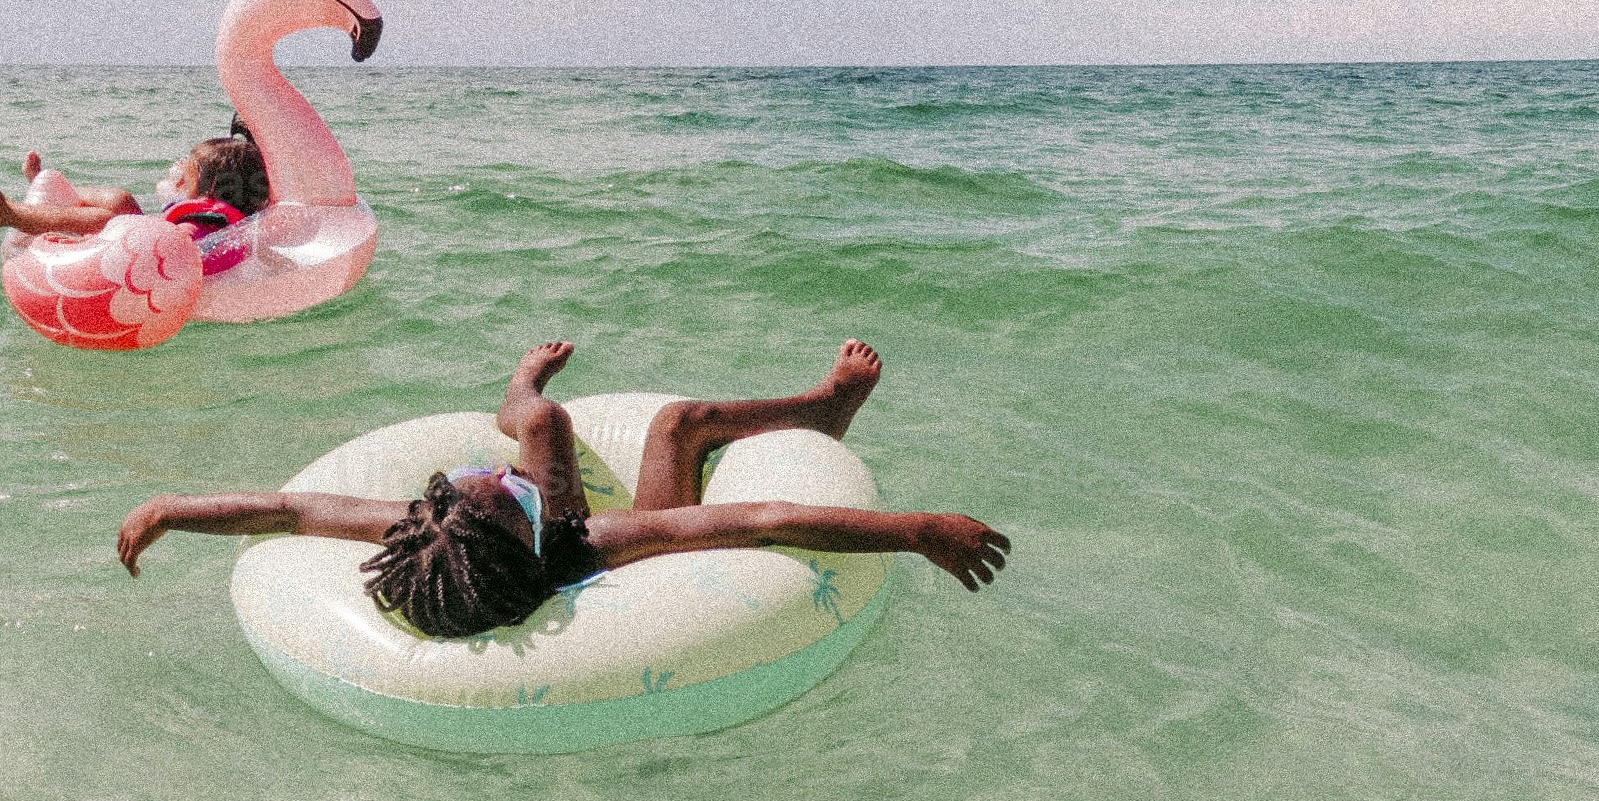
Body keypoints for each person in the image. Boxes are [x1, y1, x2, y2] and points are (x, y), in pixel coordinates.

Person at [113, 338, 1010, 636]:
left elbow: (286, 508)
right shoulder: (593, 540)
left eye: (481, 481)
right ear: (537, 529)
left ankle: (521, 389)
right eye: (516, 492)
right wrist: (919, 527)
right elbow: (767, 518)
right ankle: (826, 410)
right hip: (615, 555)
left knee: (539, 422)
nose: (496, 478)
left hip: (495, 539)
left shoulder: (434, 526)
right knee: (677, 424)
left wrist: (168, 509)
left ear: (437, 514)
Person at [0, 123, 269, 246]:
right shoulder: (211, 214)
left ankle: (6, 214)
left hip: (137, 255)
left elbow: (169, 248)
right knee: (120, 200)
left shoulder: (199, 226)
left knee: (106, 220)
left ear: (211, 190)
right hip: (144, 237)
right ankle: (50, 193)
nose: (178, 180)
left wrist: (90, 244)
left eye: (187, 178)